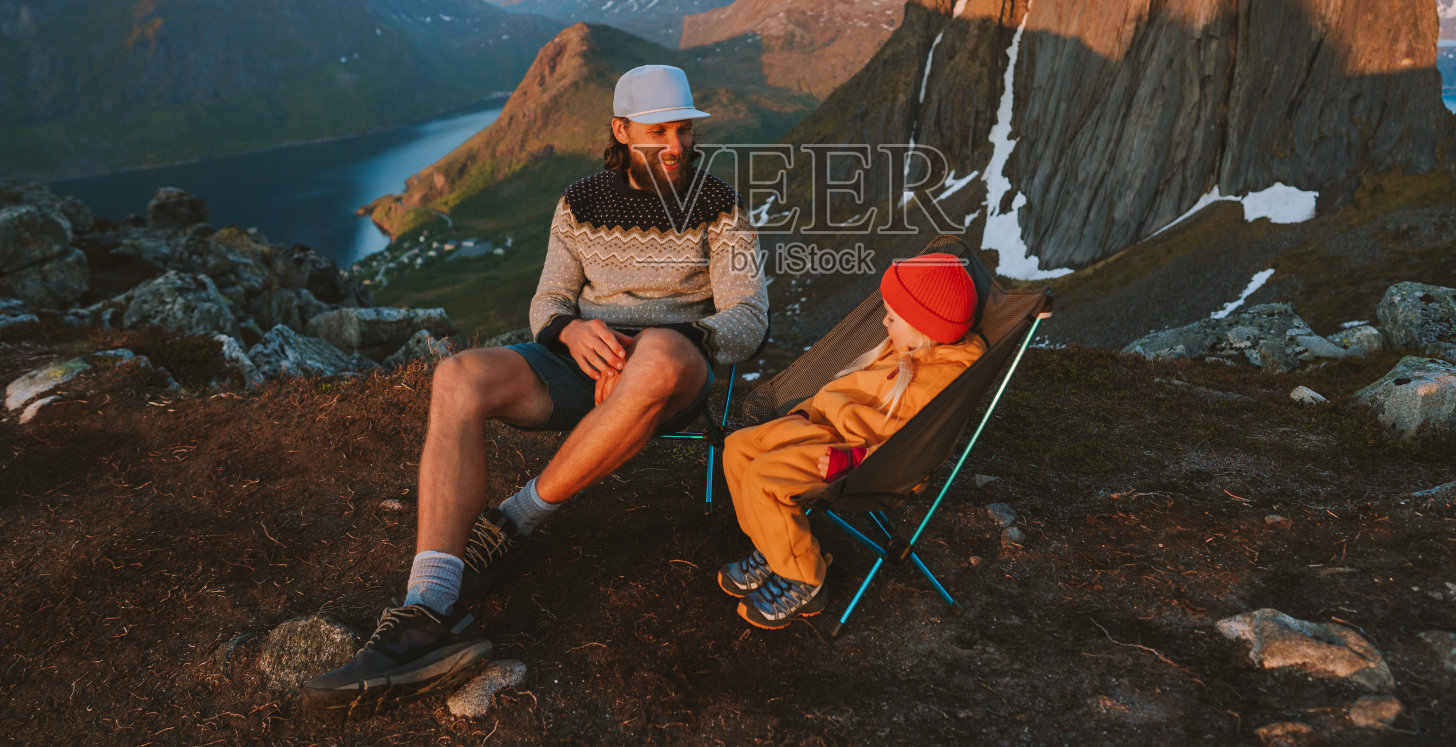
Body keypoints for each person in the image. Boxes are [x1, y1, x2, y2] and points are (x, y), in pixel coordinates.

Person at [304, 64, 768, 715]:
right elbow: (548, 297)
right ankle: (427, 607)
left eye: (683, 130)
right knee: (456, 375)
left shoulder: (722, 206)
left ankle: (514, 520)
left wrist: (661, 341)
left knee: (659, 354)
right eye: (658, 130)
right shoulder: (579, 201)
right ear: (620, 130)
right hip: (585, 364)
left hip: (673, 367)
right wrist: (572, 333)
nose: (674, 144)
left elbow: (749, 316)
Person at [716, 253, 982, 629]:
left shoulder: (938, 380)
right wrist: (806, 411)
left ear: (925, 325)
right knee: (739, 447)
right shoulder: (905, 347)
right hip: (827, 428)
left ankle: (806, 579)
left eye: (893, 316)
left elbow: (909, 443)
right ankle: (774, 547)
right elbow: (843, 388)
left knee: (765, 477)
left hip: (858, 458)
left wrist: (857, 459)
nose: (884, 321)